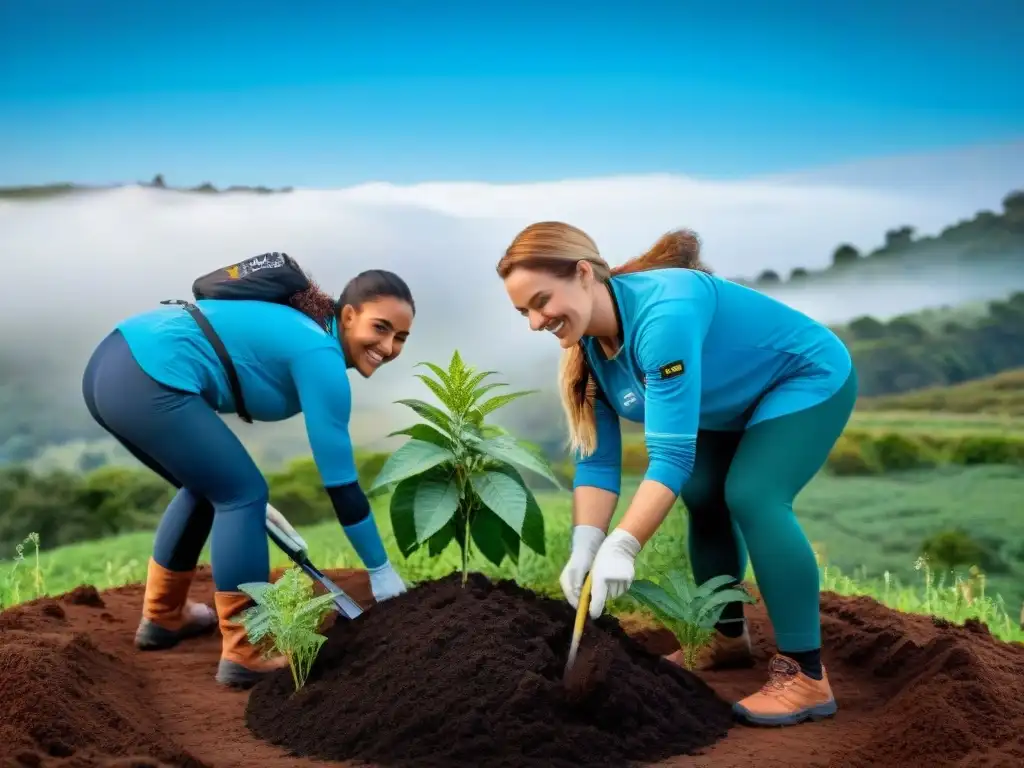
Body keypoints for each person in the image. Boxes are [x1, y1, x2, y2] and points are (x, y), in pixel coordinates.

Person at [497, 222, 857, 727]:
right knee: (703, 493)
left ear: (582, 273)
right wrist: (584, 546)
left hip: (803, 376)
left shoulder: (662, 316)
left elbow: (668, 459)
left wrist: (622, 546)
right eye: (523, 313)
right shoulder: (590, 348)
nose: (536, 322)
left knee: (753, 495)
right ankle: (725, 637)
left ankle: (805, 677)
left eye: (541, 301)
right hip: (722, 402)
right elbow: (597, 462)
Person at [81, 261, 415, 689]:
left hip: (114, 364)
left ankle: (164, 618)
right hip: (146, 375)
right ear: (348, 316)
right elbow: (341, 484)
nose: (388, 346)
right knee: (243, 494)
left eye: (400, 337)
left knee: (209, 486)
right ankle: (248, 649)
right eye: (381, 328)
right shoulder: (320, 353)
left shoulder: (305, 332)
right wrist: (382, 572)